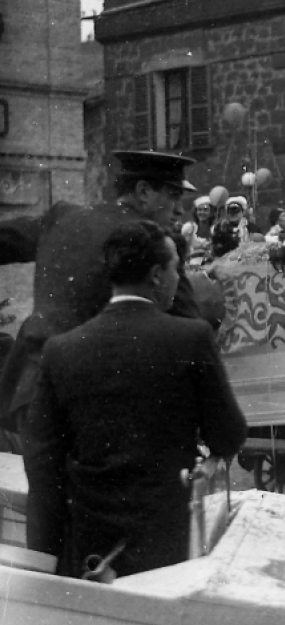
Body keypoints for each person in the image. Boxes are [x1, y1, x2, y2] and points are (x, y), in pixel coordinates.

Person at [23, 220, 247, 578]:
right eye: (177, 268)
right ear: (157, 275)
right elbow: (229, 434)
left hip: (88, 550)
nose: (179, 278)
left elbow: (42, 461)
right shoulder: (190, 338)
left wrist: (45, 554)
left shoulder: (61, 350)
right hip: (167, 546)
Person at [0, 150, 203, 453]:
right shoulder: (153, 243)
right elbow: (190, 329)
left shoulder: (63, 217)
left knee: (45, 494)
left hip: (33, 390)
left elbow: (6, 240)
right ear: (143, 191)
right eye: (173, 196)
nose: (179, 211)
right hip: (100, 403)